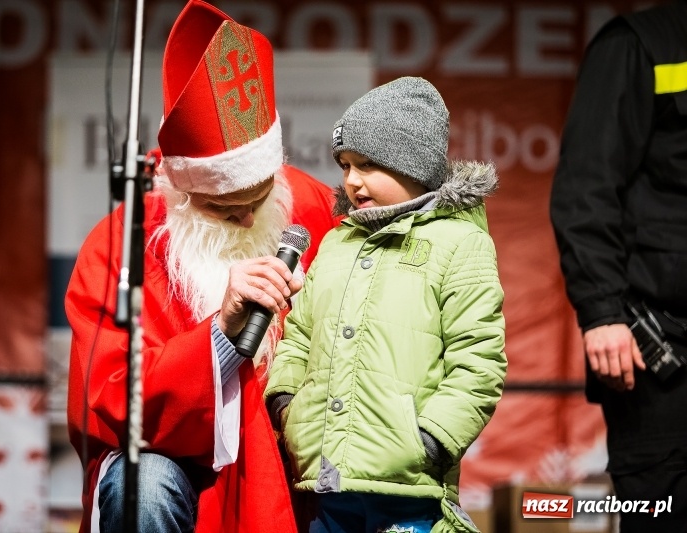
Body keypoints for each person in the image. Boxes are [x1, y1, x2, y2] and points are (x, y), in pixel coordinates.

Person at [65, 1, 338, 531]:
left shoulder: (311, 208)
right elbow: (108, 399)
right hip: (177, 463)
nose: (243, 217)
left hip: (289, 458)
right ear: (180, 189)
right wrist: (220, 332)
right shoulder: (122, 243)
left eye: (256, 200)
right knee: (141, 480)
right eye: (221, 207)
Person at [264, 77, 507, 533]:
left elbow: (479, 362)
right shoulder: (336, 243)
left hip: (410, 495)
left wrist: (429, 441)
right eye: (345, 165)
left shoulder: (460, 244)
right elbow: (298, 337)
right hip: (328, 488)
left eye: (369, 164)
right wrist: (286, 406)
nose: (352, 180)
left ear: (412, 162)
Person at [550, 1, 687, 530]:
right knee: (661, 506)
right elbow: (587, 188)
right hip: (659, 346)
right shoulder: (640, 43)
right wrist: (603, 313)